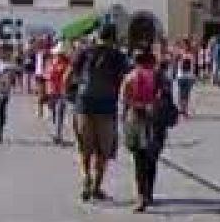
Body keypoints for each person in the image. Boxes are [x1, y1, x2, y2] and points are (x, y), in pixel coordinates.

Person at [70, 25, 129, 203]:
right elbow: (125, 81)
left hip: (84, 104)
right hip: (107, 107)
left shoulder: (84, 51)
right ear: (113, 38)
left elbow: (69, 75)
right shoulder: (118, 56)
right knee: (103, 150)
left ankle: (86, 176)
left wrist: (71, 96)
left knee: (84, 147)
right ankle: (96, 186)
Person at [120, 51, 172, 212]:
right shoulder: (161, 77)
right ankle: (148, 192)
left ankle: (141, 195)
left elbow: (124, 98)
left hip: (135, 119)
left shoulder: (130, 77)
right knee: (152, 159)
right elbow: (167, 99)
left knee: (139, 159)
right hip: (155, 121)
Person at [45, 46, 71, 145]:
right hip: (51, 90)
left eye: (59, 54)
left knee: (59, 112)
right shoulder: (50, 63)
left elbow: (67, 77)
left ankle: (58, 135)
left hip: (62, 92)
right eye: (56, 54)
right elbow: (47, 76)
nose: (57, 56)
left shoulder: (66, 64)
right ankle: (54, 132)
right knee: (52, 113)